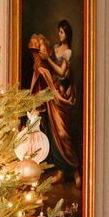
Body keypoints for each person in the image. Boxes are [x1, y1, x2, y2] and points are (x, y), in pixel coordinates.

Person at [28, 21, 80, 186]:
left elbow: (62, 72)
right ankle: (61, 171)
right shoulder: (55, 47)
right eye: (59, 32)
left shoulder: (68, 52)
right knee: (53, 132)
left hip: (61, 95)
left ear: (68, 34)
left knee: (63, 134)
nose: (60, 35)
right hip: (52, 92)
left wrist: (48, 60)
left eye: (62, 32)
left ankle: (75, 169)